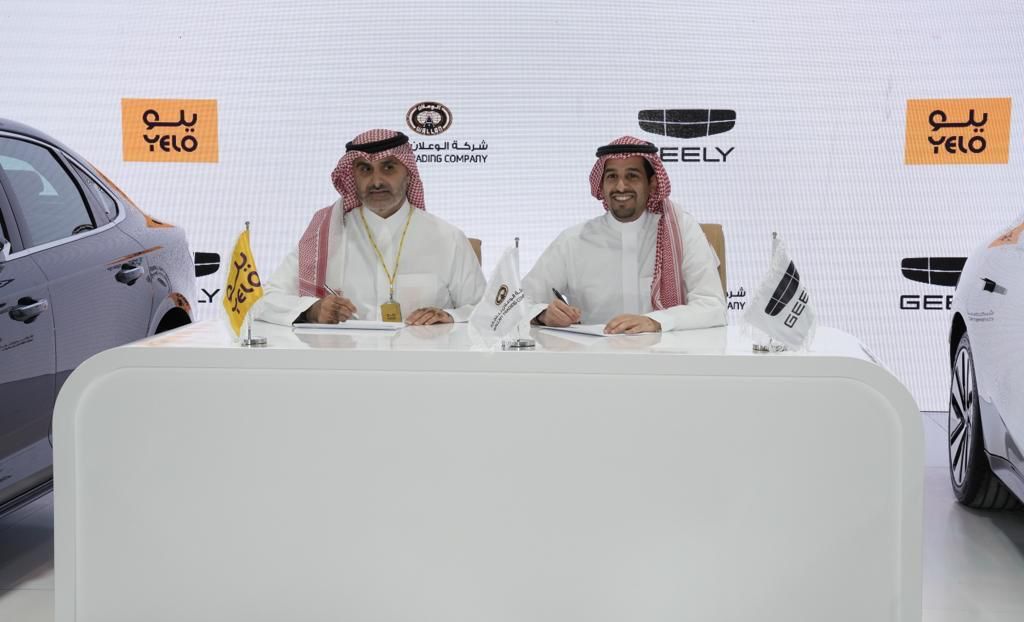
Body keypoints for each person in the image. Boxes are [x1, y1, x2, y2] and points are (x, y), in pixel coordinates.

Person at [253, 129, 484, 326]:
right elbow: (263, 300)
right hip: (345, 362)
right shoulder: (324, 236)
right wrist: (311, 310)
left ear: (408, 173)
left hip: (423, 362)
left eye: (388, 167)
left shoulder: (447, 238)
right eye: (365, 169)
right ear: (352, 176)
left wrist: (451, 317)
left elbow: (485, 311)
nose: (376, 181)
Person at [523, 136, 726, 333]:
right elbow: (518, 301)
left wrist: (656, 321)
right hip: (595, 354)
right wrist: (542, 315)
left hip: (666, 353)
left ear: (652, 183)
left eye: (632, 176)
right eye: (612, 177)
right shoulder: (574, 241)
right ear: (601, 185)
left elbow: (713, 306)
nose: (621, 186)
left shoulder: (680, 232)